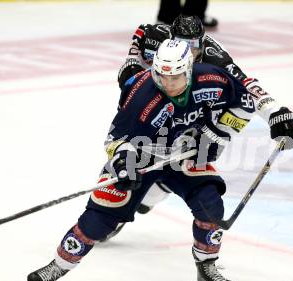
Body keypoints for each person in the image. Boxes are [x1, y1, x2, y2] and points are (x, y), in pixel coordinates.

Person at [27, 40, 293, 281]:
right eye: (162, 76)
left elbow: (245, 101)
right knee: (100, 217)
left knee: (210, 207)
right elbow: (115, 139)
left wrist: (228, 130)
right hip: (143, 155)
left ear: (189, 70)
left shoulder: (211, 78)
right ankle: (61, 264)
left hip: (186, 153)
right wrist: (124, 162)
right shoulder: (141, 95)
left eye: (176, 77)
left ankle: (206, 268)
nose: (168, 84)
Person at [106, 15, 283, 242]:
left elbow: (246, 87)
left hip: (198, 115)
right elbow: (140, 33)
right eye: (181, 43)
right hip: (160, 104)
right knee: (136, 154)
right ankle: (119, 210)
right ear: (169, 39)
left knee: (187, 161)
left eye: (193, 46)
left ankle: (151, 196)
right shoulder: (154, 38)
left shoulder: (215, 57)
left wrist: (275, 112)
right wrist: (131, 65)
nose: (188, 52)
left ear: (203, 41)